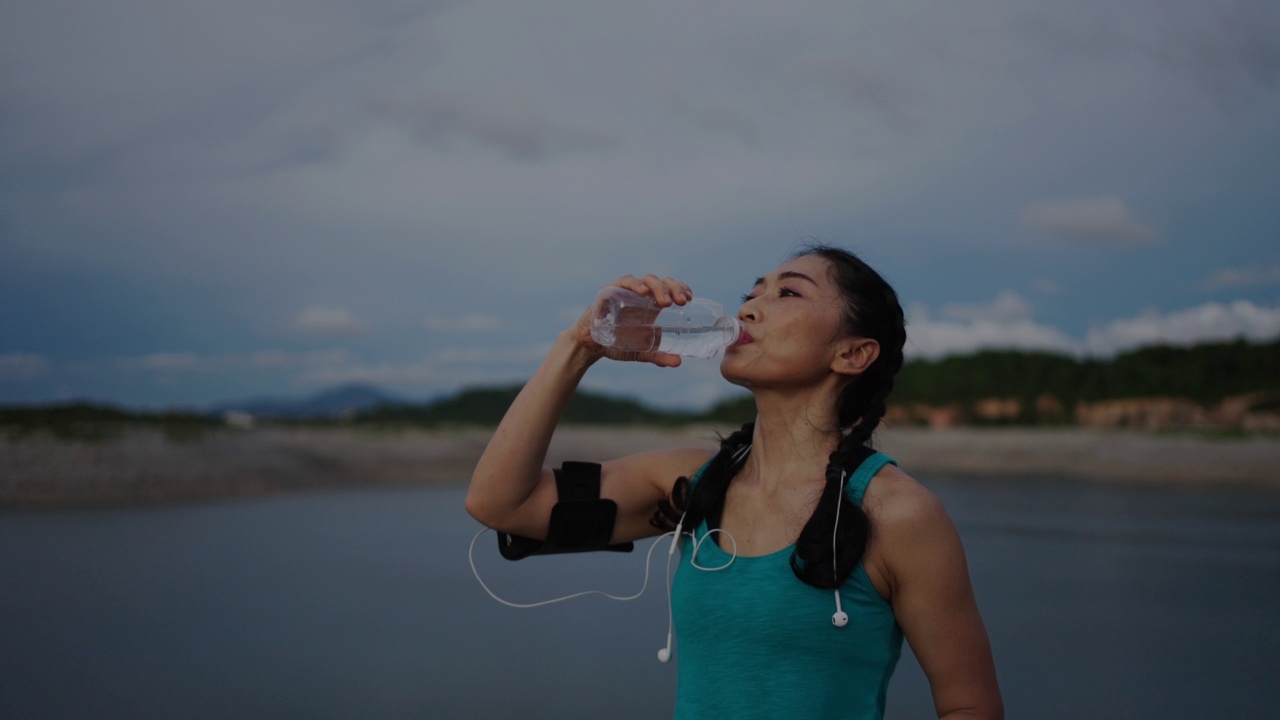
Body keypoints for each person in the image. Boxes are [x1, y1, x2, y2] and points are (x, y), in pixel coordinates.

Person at [466, 244, 1003, 720]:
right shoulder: (693, 486)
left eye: (788, 293)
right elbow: (501, 504)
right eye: (752, 292)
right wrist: (580, 345)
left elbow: (968, 705)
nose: (748, 307)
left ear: (852, 353)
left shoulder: (897, 513)